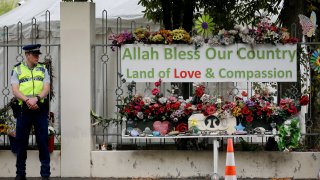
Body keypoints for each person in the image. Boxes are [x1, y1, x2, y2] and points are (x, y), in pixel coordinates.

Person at [11, 44, 51, 180]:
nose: (37, 57)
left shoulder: (43, 69)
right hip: (24, 110)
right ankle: (20, 174)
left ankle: (45, 175)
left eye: (38, 54)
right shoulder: (17, 69)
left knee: (43, 142)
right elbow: (15, 90)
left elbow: (46, 88)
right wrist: (28, 100)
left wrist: (37, 98)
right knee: (21, 143)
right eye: (35, 55)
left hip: (40, 109)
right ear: (27, 55)